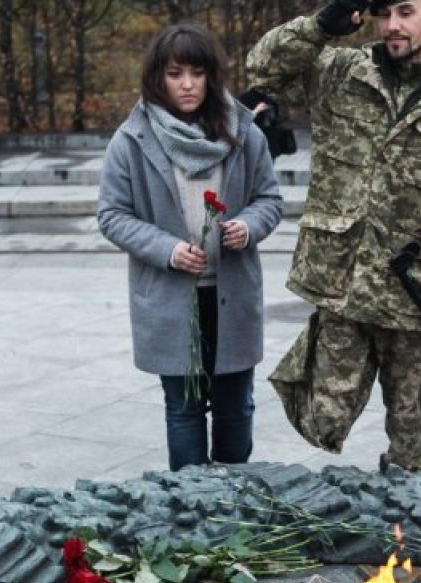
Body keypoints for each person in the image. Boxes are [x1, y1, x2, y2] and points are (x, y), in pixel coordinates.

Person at [248, 0, 421, 471]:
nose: (392, 25)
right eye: (383, 13)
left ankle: (407, 507)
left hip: (415, 293)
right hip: (343, 281)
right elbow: (262, 71)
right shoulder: (340, 71)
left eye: (406, 12)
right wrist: (316, 28)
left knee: (411, 435)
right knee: (321, 418)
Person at [98, 24, 283, 472]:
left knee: (236, 407)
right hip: (171, 300)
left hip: (231, 295)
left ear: (210, 76)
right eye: (175, 73)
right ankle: (191, 506)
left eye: (196, 73)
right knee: (183, 410)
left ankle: (235, 497)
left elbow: (269, 200)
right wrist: (169, 249)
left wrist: (248, 226)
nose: (186, 84)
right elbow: (112, 215)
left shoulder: (243, 131)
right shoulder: (132, 139)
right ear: (158, 78)